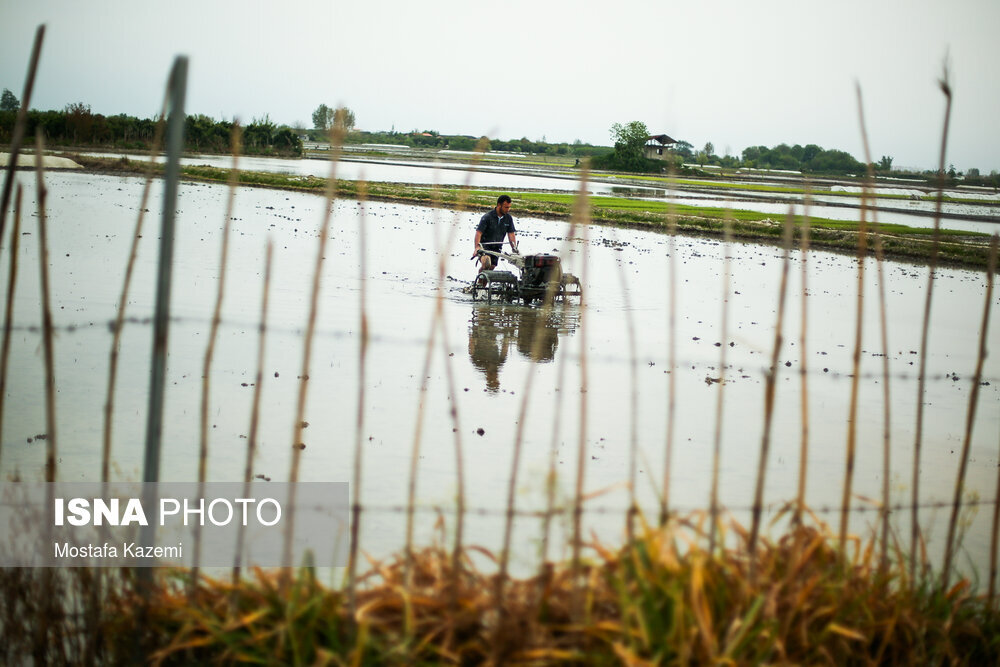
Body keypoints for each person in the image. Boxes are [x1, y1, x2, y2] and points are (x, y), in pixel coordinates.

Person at [473, 194, 518, 272]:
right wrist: (477, 247)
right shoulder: (487, 217)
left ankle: (480, 283)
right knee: (487, 263)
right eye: (506, 207)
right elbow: (478, 233)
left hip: (497, 248)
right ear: (499, 205)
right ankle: (479, 282)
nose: (508, 210)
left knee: (491, 268)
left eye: (509, 207)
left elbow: (511, 234)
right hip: (484, 247)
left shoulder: (508, 218)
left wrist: (514, 248)